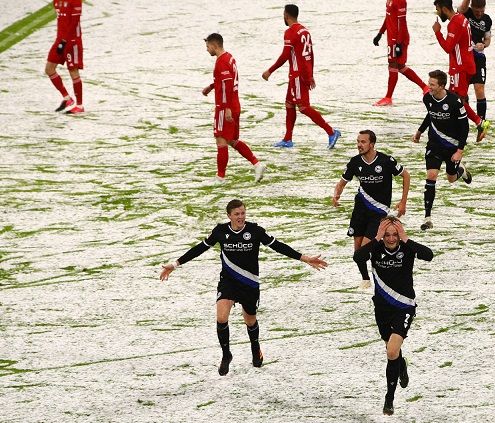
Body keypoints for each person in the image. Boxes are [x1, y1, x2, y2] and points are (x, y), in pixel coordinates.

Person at [159, 199, 328, 375]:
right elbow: (200, 248)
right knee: (222, 318)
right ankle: (226, 355)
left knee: (250, 321)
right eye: (237, 214)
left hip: (249, 284)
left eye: (243, 213)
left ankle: (255, 347)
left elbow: (278, 246)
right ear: (229, 216)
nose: (240, 217)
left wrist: (304, 258)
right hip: (228, 281)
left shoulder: (255, 231)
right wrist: (175, 264)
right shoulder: (220, 231)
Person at [353, 218, 434, 415]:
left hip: (404, 306)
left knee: (391, 352)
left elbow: (429, 255)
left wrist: (406, 239)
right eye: (387, 235)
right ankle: (401, 365)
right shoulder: (376, 247)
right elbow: (358, 257)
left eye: (394, 234)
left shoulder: (406, 248)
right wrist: (376, 237)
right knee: (392, 351)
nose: (390, 238)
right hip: (381, 308)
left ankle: (389, 398)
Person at [332, 130, 410, 288]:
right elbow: (342, 182)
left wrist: (403, 202)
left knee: (364, 250)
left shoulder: (386, 160)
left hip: (379, 213)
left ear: (372, 144)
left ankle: (384, 272)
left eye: (363, 142)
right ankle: (365, 280)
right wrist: (336, 194)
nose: (359, 145)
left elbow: (406, 175)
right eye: (358, 142)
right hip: (360, 210)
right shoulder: (355, 162)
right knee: (357, 252)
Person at [262, 4, 341, 149]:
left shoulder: (290, 32)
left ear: (286, 15)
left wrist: (269, 71)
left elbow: (285, 55)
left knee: (303, 107)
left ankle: (331, 131)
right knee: (289, 104)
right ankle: (287, 139)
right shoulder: (305, 31)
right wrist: (310, 74)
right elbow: (310, 54)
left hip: (298, 75)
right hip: (300, 74)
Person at [202, 33, 267, 183]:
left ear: (214, 45)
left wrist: (226, 108)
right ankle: (257, 165)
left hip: (225, 107)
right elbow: (225, 81)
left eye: (207, 47)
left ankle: (220, 177)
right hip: (234, 104)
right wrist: (211, 87)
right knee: (232, 140)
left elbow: (227, 86)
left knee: (221, 140)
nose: (207, 50)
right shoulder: (229, 58)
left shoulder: (221, 62)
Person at [412, 70, 472, 231]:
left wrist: (460, 150)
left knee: (451, 179)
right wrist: (419, 131)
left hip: (452, 146)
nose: (428, 87)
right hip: (434, 145)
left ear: (442, 86)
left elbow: (465, 127)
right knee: (431, 176)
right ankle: (427, 218)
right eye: (429, 83)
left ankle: (462, 170)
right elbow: (430, 115)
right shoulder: (427, 98)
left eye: (432, 84)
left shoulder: (455, 102)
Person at [432, 0, 490, 142]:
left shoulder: (455, 23)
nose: (437, 13)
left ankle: (479, 123)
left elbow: (448, 48)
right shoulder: (462, 18)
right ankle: (462, 127)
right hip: (467, 64)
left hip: (459, 68)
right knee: (458, 99)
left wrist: (437, 32)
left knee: (456, 100)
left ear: (444, 9)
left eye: (438, 10)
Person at [372, 0, 429, 106]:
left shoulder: (400, 1)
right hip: (392, 38)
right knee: (400, 66)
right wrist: (380, 33)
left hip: (398, 38)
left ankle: (388, 98)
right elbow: (388, 17)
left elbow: (401, 23)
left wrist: (398, 43)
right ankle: (425, 87)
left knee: (393, 65)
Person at [45, 0, 84, 114]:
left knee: (73, 71)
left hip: (72, 40)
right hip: (60, 40)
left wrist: (65, 41)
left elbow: (74, 22)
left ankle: (80, 106)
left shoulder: (75, 1)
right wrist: (61, 41)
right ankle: (67, 98)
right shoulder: (56, 1)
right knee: (49, 69)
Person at [457, 0, 492, 120]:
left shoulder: (487, 20)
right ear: (472, 7)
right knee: (462, 92)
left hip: (479, 56)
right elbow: (462, 7)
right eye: (477, 11)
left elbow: (487, 39)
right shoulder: (466, 12)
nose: (479, 13)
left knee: (479, 88)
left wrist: (484, 45)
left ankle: (481, 121)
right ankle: (464, 118)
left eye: (482, 11)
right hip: (464, 56)